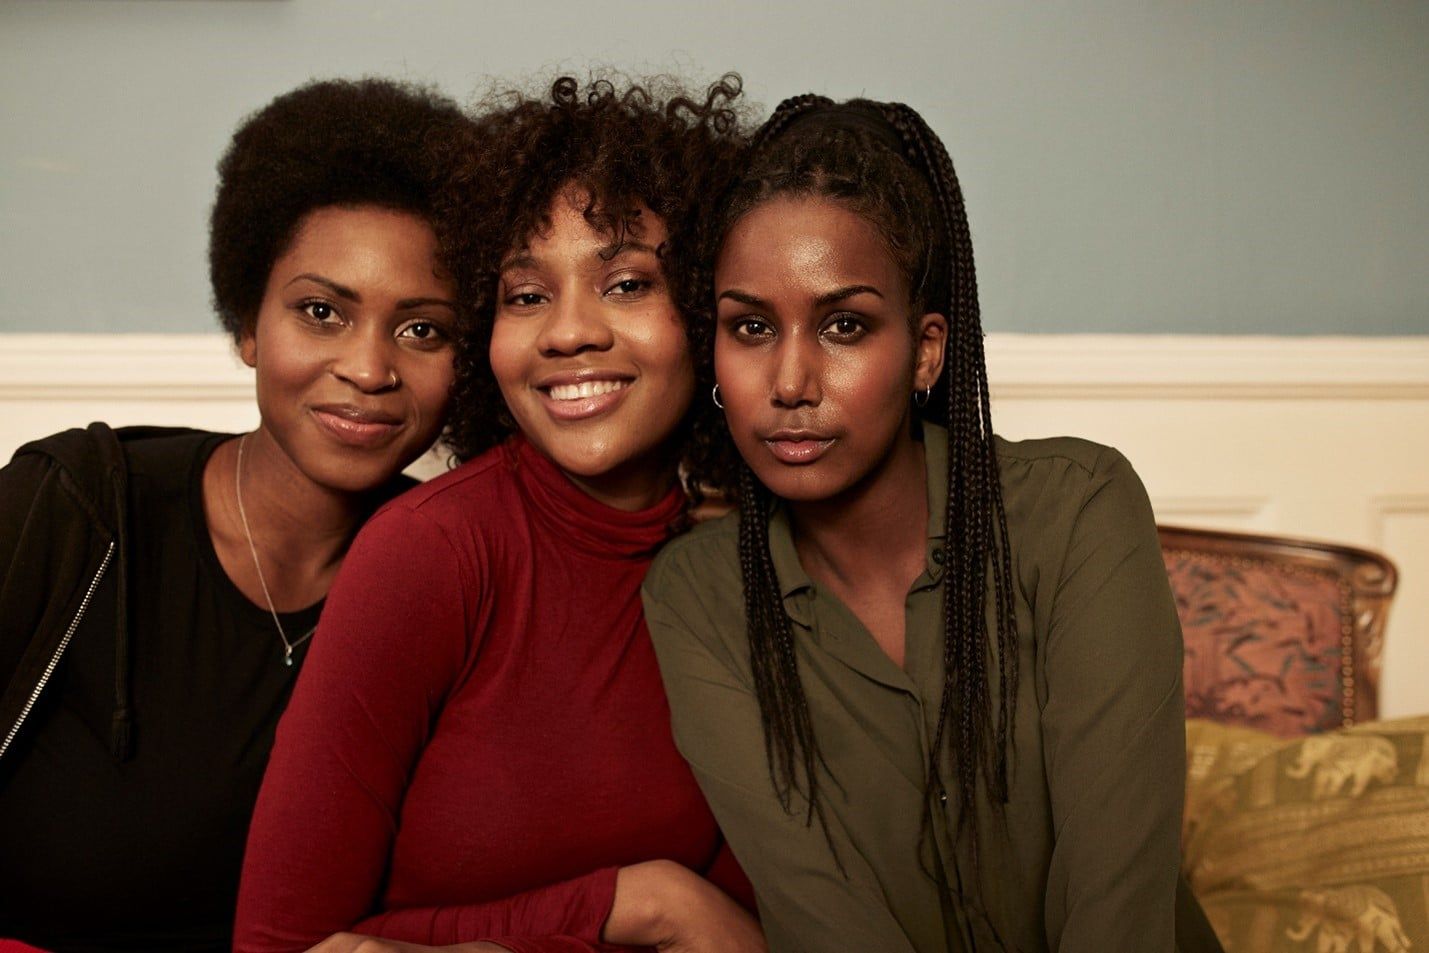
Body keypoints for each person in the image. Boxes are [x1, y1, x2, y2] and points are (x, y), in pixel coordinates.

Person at [641, 96, 1226, 952]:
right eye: (751, 327)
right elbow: (825, 921)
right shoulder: (700, 596)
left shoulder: (1074, 508)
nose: (791, 379)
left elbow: (1118, 899)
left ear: (924, 349)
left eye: (844, 325)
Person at [233, 75, 763, 953]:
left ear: (707, 306)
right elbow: (281, 944)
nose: (567, 332)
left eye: (626, 283)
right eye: (525, 294)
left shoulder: (753, 572)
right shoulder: (430, 553)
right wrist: (634, 905)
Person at [0, 79, 467, 952]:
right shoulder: (76, 507)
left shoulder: (453, 566)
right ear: (247, 323)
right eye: (321, 311)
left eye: (423, 330)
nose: (368, 368)